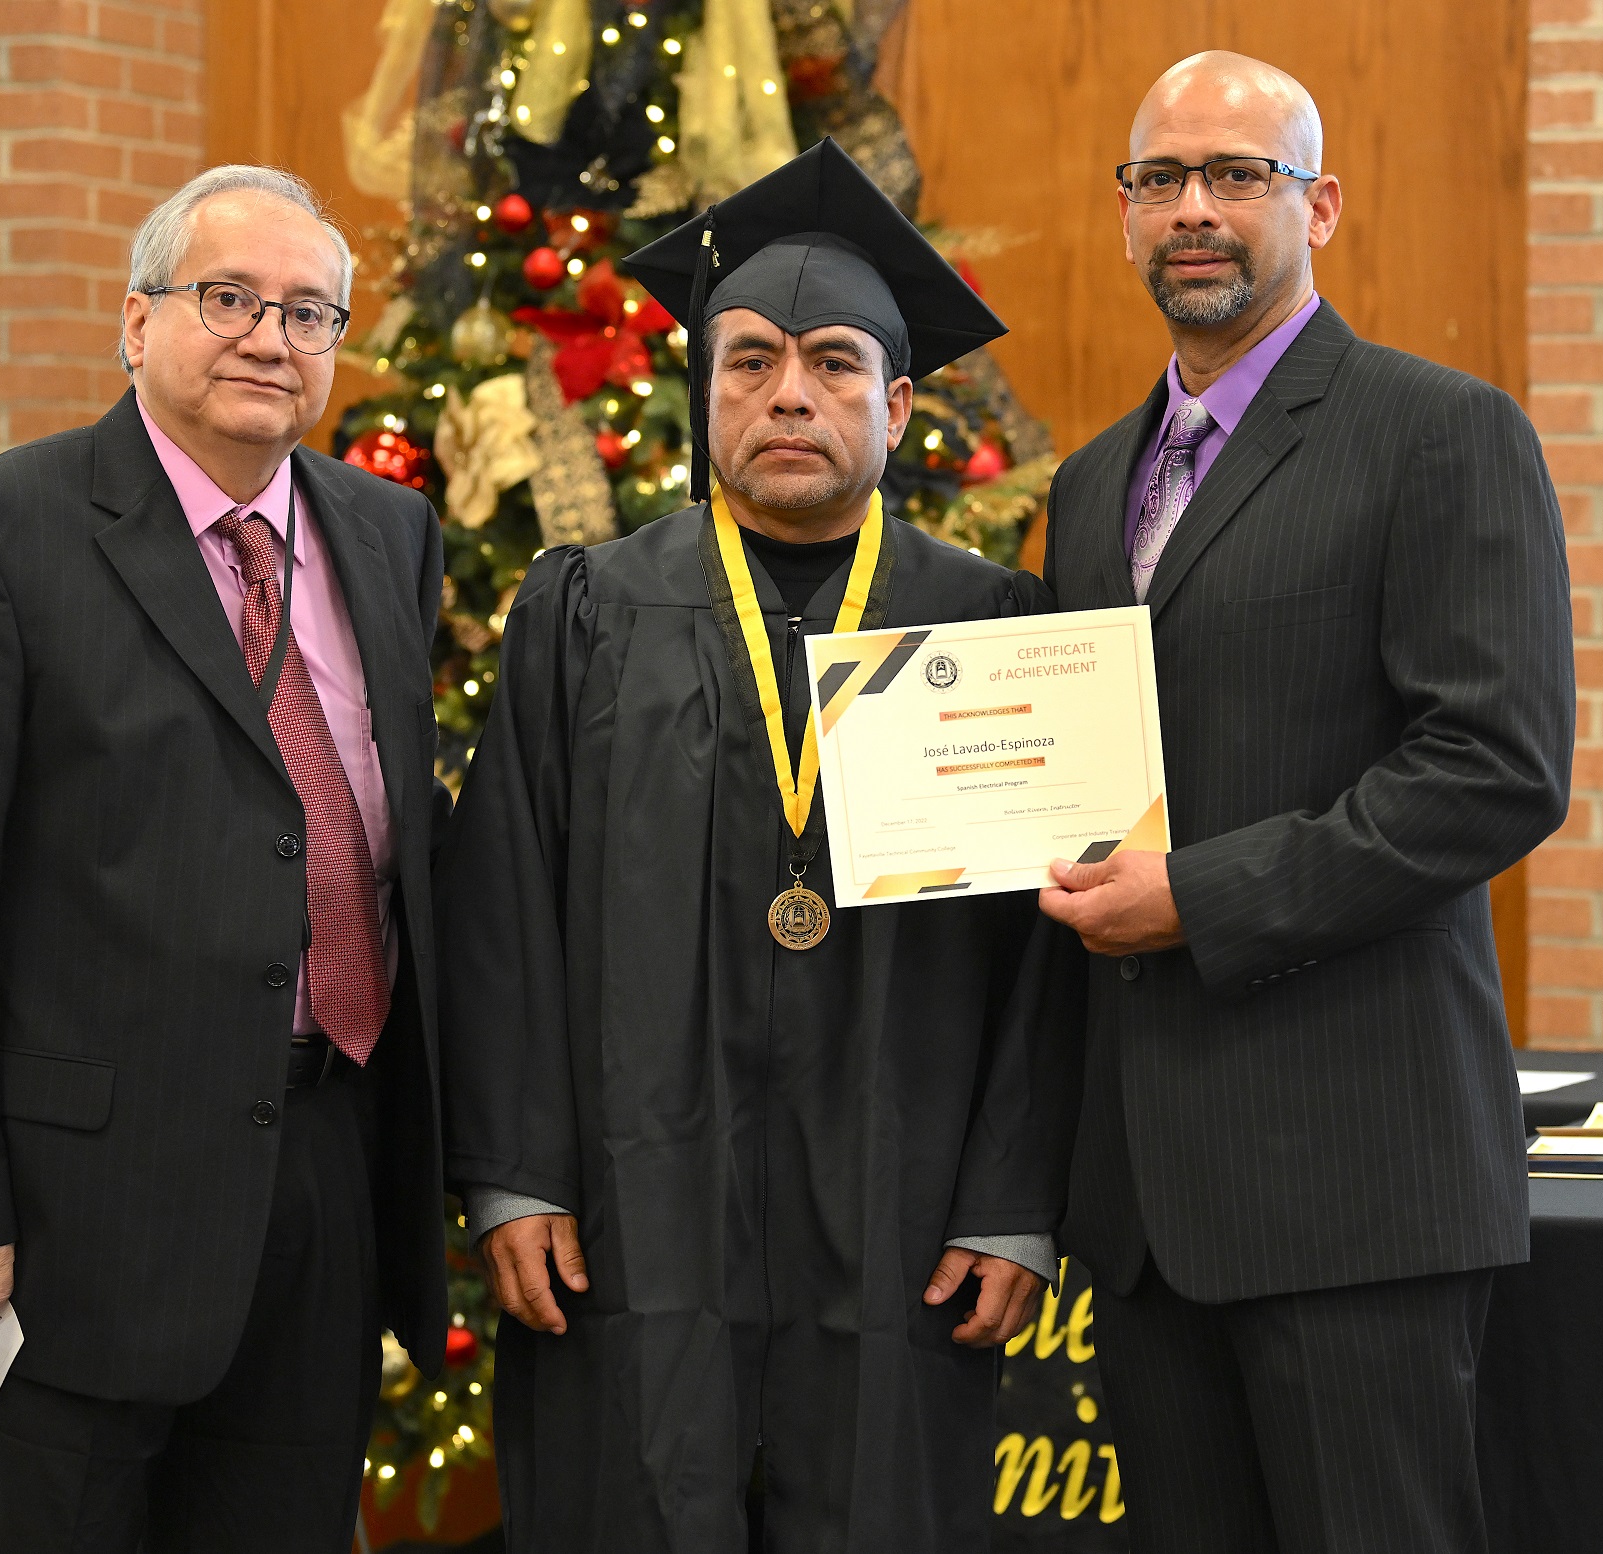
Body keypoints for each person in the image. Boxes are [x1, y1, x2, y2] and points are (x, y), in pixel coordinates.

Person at [436, 139, 1081, 1552]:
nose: (791, 391)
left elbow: (1051, 946)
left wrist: (1013, 1196)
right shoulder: (586, 609)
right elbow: (502, 903)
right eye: (751, 361)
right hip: (629, 1191)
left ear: (900, 403)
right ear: (702, 390)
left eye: (836, 362)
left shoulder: (989, 623)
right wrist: (516, 1171)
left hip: (903, 1198)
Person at [0, 165, 451, 1553]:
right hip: (61, 1220)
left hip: (323, 1174)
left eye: (308, 312)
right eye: (227, 298)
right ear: (135, 321)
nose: (268, 338)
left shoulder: (389, 534)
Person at [1038, 52, 1574, 1552]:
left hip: (1357, 1190)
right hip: (1145, 1208)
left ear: (1320, 204)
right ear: (1126, 215)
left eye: (1238, 175)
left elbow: (1497, 765)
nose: (1193, 209)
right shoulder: (1092, 486)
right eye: (1159, 180)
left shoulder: (1438, 433)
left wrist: (1192, 900)